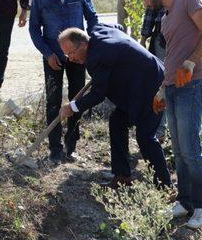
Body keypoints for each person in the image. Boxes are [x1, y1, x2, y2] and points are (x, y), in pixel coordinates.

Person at [138, 0, 202, 230]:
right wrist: (162, 88)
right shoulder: (166, 17)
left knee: (191, 149)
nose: (145, 3)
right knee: (180, 151)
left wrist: (191, 62)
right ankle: (185, 201)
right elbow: (171, 56)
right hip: (172, 88)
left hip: (192, 86)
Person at [57, 24, 171, 189]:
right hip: (134, 86)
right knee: (117, 121)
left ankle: (164, 185)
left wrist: (72, 107)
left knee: (145, 137)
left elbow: (98, 94)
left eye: (71, 53)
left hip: (152, 87)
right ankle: (122, 175)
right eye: (66, 54)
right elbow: (117, 26)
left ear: (83, 44)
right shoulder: (98, 30)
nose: (70, 58)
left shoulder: (98, 56)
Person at [29, 0, 98, 164]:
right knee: (53, 101)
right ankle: (55, 149)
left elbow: (92, 18)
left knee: (77, 99)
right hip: (53, 56)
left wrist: (91, 44)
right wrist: (47, 53)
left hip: (78, 56)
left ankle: (71, 145)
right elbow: (34, 29)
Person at [140, 0, 202, 139]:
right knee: (162, 81)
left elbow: (201, 21)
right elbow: (150, 11)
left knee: (182, 84)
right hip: (161, 37)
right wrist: (143, 38)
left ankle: (186, 131)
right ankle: (160, 131)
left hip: (183, 39)